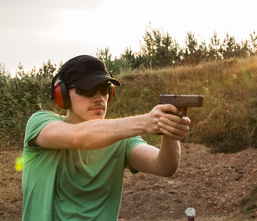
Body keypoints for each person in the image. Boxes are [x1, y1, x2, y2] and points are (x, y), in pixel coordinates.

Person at [22, 55, 191, 221]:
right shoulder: (40, 123)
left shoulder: (120, 139)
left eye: (104, 90)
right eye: (87, 90)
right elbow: (80, 137)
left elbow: (164, 167)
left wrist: (170, 128)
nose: (99, 98)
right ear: (63, 95)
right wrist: (145, 122)